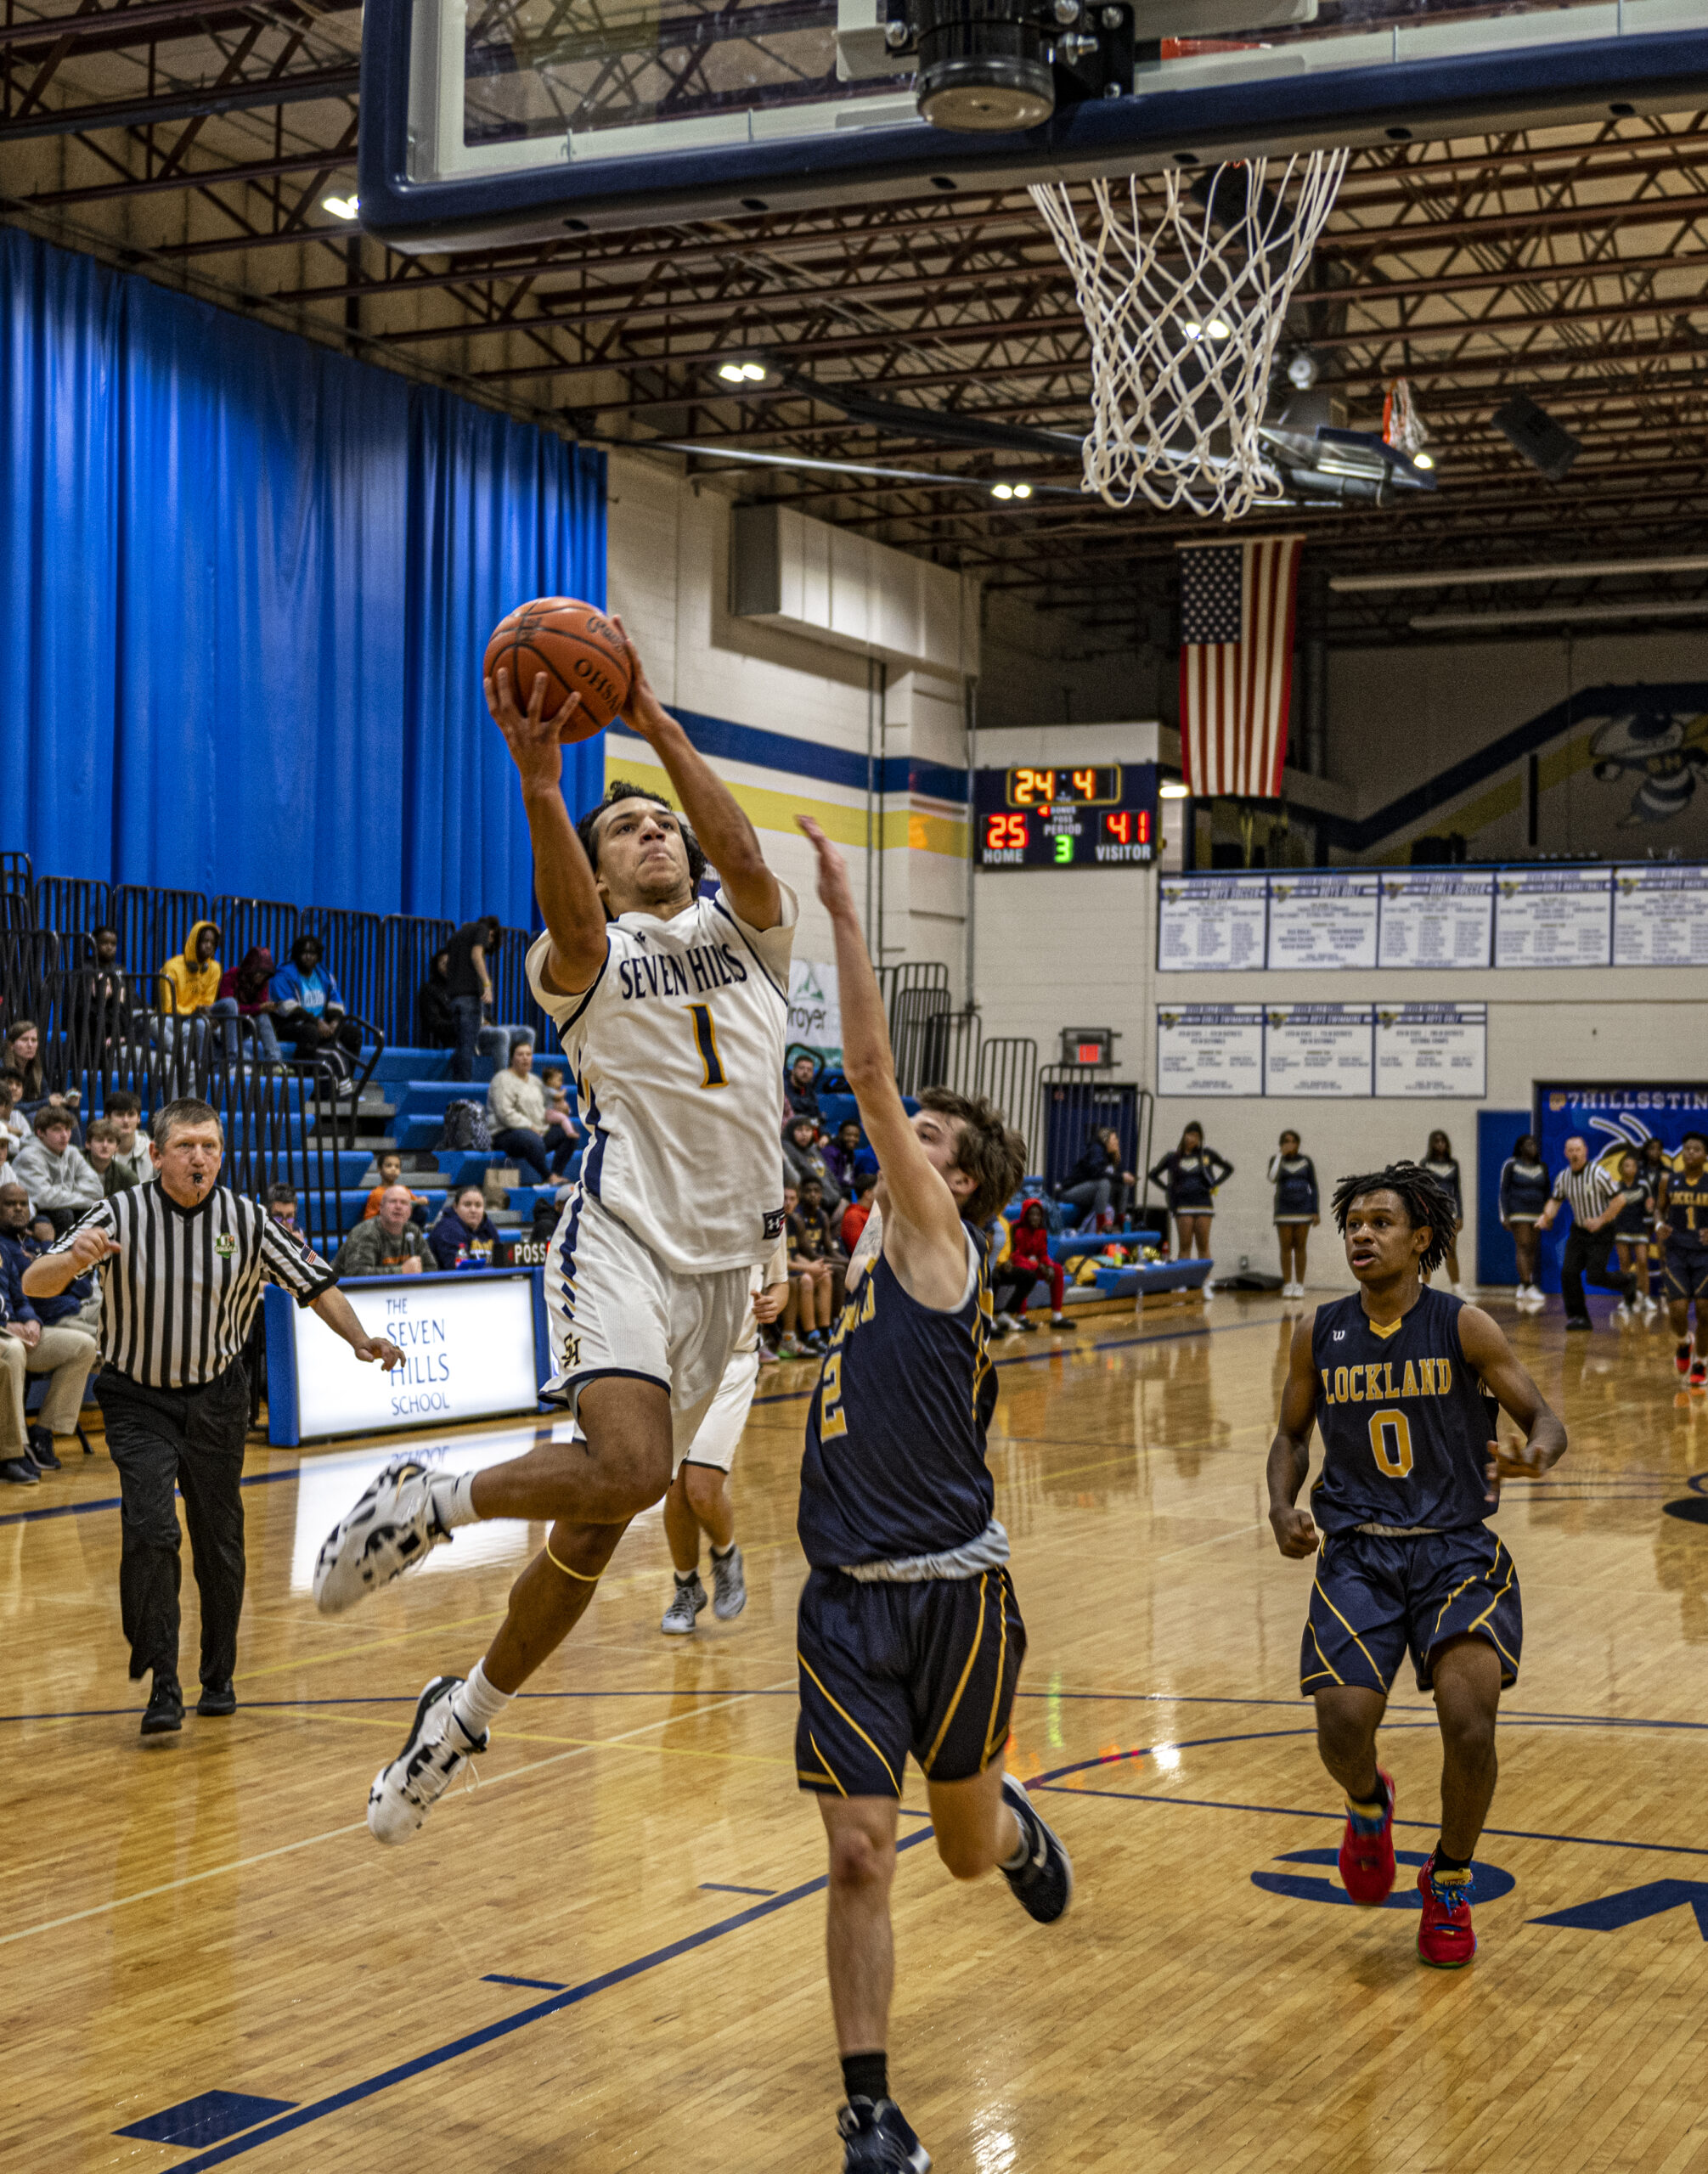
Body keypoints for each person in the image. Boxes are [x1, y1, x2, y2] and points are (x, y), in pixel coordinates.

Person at [310, 613, 798, 1854]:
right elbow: (579, 927)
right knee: (637, 1473)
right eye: (625, 826)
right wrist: (541, 783)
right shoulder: (573, 960)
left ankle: (458, 1719)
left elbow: (740, 853)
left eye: (661, 825)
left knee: (593, 1529)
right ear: (591, 861)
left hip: (722, 1268)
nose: (656, 835)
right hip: (622, 1233)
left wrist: (655, 726)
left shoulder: (748, 933)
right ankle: (434, 1497)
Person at [792, 814, 1071, 2171]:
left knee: (959, 1851)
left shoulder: (935, 1235)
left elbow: (860, 1066)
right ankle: (867, 2104)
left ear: (952, 1177)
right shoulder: (861, 1258)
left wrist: (845, 915)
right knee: (858, 1855)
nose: (904, 1131)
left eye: (928, 1130)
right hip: (845, 1604)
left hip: (955, 1603)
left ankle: (1010, 1829)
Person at [1266, 1161, 1565, 1970]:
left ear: (1421, 1237)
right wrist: (1281, 1505)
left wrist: (1535, 1454)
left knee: (1469, 1725)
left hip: (1456, 1552)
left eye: (1380, 1223)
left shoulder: (1463, 1326)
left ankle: (1449, 1878)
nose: (1361, 1234)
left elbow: (1542, 1417)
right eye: (1353, 1224)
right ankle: (1368, 1805)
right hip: (1358, 1552)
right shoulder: (1317, 1331)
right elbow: (1291, 1437)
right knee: (1341, 1725)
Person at [22, 1098, 403, 1732]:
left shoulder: (249, 1220)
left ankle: (218, 1674)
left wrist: (360, 1339)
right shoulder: (118, 1212)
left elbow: (316, 1283)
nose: (199, 1157)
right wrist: (70, 1260)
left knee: (219, 1543)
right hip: (137, 1396)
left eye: (209, 1146)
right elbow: (37, 1280)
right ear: (156, 1155)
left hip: (218, 1398)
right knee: (151, 1530)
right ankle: (162, 1682)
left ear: (221, 1155)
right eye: (185, 1146)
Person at [660, 1236, 788, 1635]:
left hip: (732, 1365)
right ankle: (687, 1587)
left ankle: (726, 1555)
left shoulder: (766, 1210)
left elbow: (778, 1281)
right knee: (676, 1490)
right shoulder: (677, 1206)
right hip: (678, 1366)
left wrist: (775, 1303)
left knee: (700, 1486)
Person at [0, 1179, 99, 1481]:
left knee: (83, 1345)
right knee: (13, 1351)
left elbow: (20, 1295)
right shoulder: (6, 1245)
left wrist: (29, 1320)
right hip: (8, 1336)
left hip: (25, 1330)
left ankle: (43, 1431)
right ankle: (13, 1451)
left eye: (23, 1203)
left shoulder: (22, 1244)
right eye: (10, 1204)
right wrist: (7, 1325)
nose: (18, 1209)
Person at [1536, 1135, 1638, 1332]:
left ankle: (1626, 1281)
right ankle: (1578, 1317)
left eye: (1578, 1150)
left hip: (1602, 1231)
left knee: (1595, 1276)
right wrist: (1545, 1217)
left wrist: (1600, 1220)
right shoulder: (1563, 1177)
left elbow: (1620, 1200)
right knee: (1568, 1272)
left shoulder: (1598, 1173)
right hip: (1579, 1231)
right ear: (1565, 1153)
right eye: (1570, 1150)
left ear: (1585, 1152)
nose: (1574, 1154)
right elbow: (1555, 1201)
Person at [1148, 1122, 1232, 1293]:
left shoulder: (1207, 1154)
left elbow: (1228, 1168)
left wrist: (1214, 1184)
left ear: (1200, 1138)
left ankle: (1206, 1282)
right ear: (1184, 1135)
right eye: (1189, 1134)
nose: (1191, 1138)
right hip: (1183, 1205)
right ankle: (1182, 1282)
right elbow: (1153, 1174)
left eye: (1195, 1136)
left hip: (1204, 1205)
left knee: (1203, 1246)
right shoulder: (1173, 1157)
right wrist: (1168, 1189)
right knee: (1184, 1246)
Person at [1654, 1131, 1708, 1391]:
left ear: (1705, 1156)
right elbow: (1658, 1208)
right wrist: (1658, 1224)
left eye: (1696, 1149)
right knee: (1677, 1310)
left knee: (1704, 1311)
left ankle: (1701, 1361)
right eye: (1686, 1149)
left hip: (1704, 1255)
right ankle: (1684, 1342)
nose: (1689, 1153)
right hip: (1676, 1251)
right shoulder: (1669, 1180)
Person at [487, 1039, 580, 1184]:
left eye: (528, 1054)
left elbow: (544, 1108)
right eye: (520, 1054)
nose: (525, 1058)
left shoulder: (535, 1081)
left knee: (570, 1133)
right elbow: (504, 1113)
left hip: (537, 1130)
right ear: (512, 1058)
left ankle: (556, 1174)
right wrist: (529, 1126)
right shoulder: (502, 1079)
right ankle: (547, 1176)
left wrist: (560, 1109)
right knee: (531, 1138)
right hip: (505, 1133)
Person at [443, 915, 522, 1083]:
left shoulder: (458, 934)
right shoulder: (483, 929)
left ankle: (458, 1084)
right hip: (469, 997)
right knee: (468, 1045)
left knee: (461, 1043)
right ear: (492, 933)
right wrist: (487, 984)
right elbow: (476, 954)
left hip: (454, 997)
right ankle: (464, 1086)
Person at [271, 933, 363, 1074]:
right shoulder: (284, 975)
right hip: (289, 1025)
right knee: (310, 1032)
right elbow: (287, 1008)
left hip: (321, 1024)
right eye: (304, 953)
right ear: (296, 954)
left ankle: (346, 1081)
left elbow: (335, 1000)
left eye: (312, 953)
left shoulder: (323, 974)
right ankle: (304, 1082)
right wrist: (316, 1023)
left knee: (353, 1034)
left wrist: (335, 1022)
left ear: (318, 956)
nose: (308, 957)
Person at [158, 921, 240, 1060]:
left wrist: (205, 1012)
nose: (209, 946)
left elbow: (208, 1001)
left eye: (213, 943)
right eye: (205, 941)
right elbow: (168, 1007)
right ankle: (200, 1068)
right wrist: (196, 1011)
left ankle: (231, 1061)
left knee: (230, 1003)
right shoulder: (172, 967)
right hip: (178, 1018)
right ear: (194, 941)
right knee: (202, 1024)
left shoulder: (214, 968)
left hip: (200, 1013)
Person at [14, 1106, 102, 1235]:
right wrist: (87, 1200)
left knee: (93, 1211)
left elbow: (96, 1188)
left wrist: (66, 1195)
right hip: (32, 1215)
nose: (64, 1135)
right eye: (57, 1130)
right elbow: (44, 1198)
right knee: (64, 1214)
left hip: (63, 1205)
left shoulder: (72, 1152)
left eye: (67, 1129)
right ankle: (56, 1254)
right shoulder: (29, 1156)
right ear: (40, 1133)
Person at [989, 1197, 1073, 1332]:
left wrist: (1048, 1265)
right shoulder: (1016, 1228)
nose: (1035, 1218)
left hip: (1031, 1264)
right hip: (1020, 1263)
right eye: (1032, 1214)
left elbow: (1043, 1254)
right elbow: (1015, 1255)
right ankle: (1020, 1316)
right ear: (1025, 1215)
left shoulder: (1041, 1231)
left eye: (1038, 1214)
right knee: (1025, 1272)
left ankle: (1057, 1316)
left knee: (1056, 1269)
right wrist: (1037, 1266)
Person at [1497, 1134, 1551, 1309]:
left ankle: (1524, 1284)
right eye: (1528, 1144)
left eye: (1534, 1144)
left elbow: (1547, 1193)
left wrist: (1547, 1216)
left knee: (1532, 1248)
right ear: (1520, 1147)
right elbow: (1503, 1191)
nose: (1532, 1147)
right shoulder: (1511, 1164)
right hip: (1518, 1212)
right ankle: (1527, 1284)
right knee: (1523, 1244)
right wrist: (1504, 1215)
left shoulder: (1542, 1166)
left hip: (1536, 1213)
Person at [789, 1177, 839, 1354]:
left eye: (791, 1199)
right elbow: (784, 1260)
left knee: (825, 1275)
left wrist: (814, 1266)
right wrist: (810, 1267)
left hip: (797, 1265)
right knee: (807, 1280)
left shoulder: (813, 1217)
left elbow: (795, 1254)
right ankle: (810, 1334)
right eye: (785, 1199)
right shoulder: (791, 1219)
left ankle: (826, 1329)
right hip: (781, 1272)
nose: (788, 1203)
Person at [1268, 1129, 1320, 1299]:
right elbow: (1272, 1178)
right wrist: (1279, 1156)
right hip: (1283, 1211)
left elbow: (1313, 1186)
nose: (1289, 1144)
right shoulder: (1276, 1160)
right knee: (1285, 1247)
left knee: (1300, 1247)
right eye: (1285, 1141)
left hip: (1303, 1210)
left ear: (1297, 1143)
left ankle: (1299, 1285)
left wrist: (1315, 1210)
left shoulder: (1306, 1161)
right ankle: (1288, 1284)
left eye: (1292, 1141)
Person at [335, 1186, 431, 1277]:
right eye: (393, 1201)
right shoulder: (366, 1232)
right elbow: (356, 1273)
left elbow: (431, 1267)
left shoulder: (413, 1231)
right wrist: (401, 1271)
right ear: (381, 1208)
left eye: (404, 1203)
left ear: (410, 1211)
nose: (398, 1206)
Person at [217, 946, 286, 1067]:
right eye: (259, 973)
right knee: (248, 1061)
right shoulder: (232, 976)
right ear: (250, 968)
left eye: (265, 974)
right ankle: (233, 1062)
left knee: (263, 1016)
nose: (261, 977)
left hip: (245, 1025)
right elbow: (228, 1008)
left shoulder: (263, 982)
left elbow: (261, 1007)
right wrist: (258, 1008)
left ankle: (275, 1062)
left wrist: (264, 1008)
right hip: (225, 1025)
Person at [1609, 1148, 1657, 1326]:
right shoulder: (1616, 1186)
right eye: (1626, 1165)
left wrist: (1650, 1208)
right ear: (1621, 1168)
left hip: (1639, 1228)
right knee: (1625, 1265)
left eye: (1633, 1165)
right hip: (1621, 1228)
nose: (1630, 1168)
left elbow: (1649, 1208)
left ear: (1637, 1169)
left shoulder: (1644, 1185)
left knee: (1643, 1262)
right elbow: (1611, 1209)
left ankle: (1645, 1297)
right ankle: (1628, 1300)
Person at [1060, 1126, 1133, 1232]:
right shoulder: (1097, 1150)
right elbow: (1097, 1173)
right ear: (1106, 1141)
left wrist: (1126, 1178)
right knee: (1104, 1183)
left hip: (1092, 1192)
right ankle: (1100, 1228)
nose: (1117, 1141)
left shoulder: (1111, 1155)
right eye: (1114, 1139)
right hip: (1071, 1191)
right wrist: (1121, 1177)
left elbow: (1117, 1175)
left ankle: (1121, 1224)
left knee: (1123, 1184)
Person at [1422, 1131, 1467, 1294]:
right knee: (1428, 1249)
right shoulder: (1425, 1163)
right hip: (1431, 1212)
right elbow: (1421, 1191)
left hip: (1450, 1212)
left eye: (1443, 1141)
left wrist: (1460, 1214)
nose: (1440, 1144)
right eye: (1437, 1141)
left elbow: (1458, 1191)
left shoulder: (1453, 1164)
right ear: (1432, 1144)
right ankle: (1425, 1286)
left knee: (1450, 1250)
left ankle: (1457, 1286)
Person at [427, 1183, 502, 1270]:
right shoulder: (448, 1229)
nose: (473, 1210)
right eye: (467, 1205)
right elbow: (458, 1269)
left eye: (478, 1205)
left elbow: (501, 1259)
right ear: (455, 1207)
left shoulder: (487, 1225)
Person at [784, 1112, 843, 1221]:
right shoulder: (787, 1149)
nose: (804, 1134)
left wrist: (837, 1194)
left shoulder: (813, 1149)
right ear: (791, 1131)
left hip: (831, 1201)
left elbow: (829, 1174)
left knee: (845, 1205)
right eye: (799, 1130)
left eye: (808, 1130)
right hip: (809, 1204)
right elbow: (796, 1180)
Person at [362, 1150, 428, 1222]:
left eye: (397, 1167)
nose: (393, 1169)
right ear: (379, 1169)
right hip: (384, 1228)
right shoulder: (376, 1194)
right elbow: (368, 1220)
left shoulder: (403, 1190)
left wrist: (422, 1200)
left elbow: (417, 1202)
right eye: (389, 1166)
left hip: (402, 1226)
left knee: (422, 1210)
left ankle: (412, 1232)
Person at [83, 1118, 135, 1199]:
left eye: (110, 1141)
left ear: (117, 1147)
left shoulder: (127, 1178)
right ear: (88, 1144)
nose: (105, 1145)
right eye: (100, 1140)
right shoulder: (73, 1168)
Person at [417, 946, 459, 1050]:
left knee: (505, 1031)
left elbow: (485, 1013)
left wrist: (488, 1023)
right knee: (501, 1036)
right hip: (455, 1037)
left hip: (477, 1032)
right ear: (436, 967)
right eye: (443, 963)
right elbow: (434, 1022)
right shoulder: (430, 990)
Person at [824, 1117, 869, 1199]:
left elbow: (850, 1178)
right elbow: (830, 1179)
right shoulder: (831, 1151)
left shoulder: (850, 1153)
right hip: (833, 1193)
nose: (852, 1139)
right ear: (840, 1134)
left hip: (846, 1190)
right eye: (848, 1135)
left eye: (856, 1136)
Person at [841, 1169, 877, 1255]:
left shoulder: (874, 1213)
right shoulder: (853, 1216)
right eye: (878, 1190)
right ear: (868, 1194)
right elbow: (861, 1250)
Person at [786, 1052, 823, 1124]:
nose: (805, 1072)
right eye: (801, 1068)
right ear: (793, 1071)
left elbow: (817, 1119)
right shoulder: (783, 1088)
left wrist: (824, 1134)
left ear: (813, 1074)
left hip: (806, 1129)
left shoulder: (810, 1092)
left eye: (809, 1070)